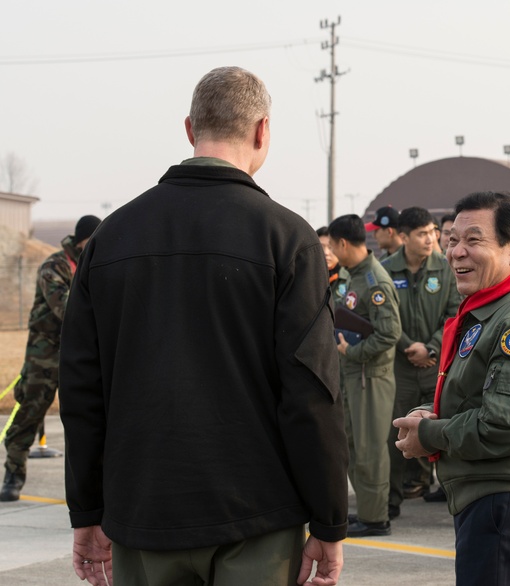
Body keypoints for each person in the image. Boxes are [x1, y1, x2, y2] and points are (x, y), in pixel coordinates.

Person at [59, 66, 348, 586]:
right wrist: (329, 519)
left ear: (190, 129)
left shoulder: (109, 239)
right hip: (257, 514)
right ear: (262, 131)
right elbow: (310, 394)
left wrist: (86, 510)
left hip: (142, 512)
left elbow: (81, 390)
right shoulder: (288, 239)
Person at [393, 190, 510, 585]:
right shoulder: (487, 312)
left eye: (474, 241)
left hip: (508, 504)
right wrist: (431, 412)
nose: (457, 252)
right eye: (453, 240)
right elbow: (477, 397)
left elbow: (504, 427)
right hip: (491, 501)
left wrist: (430, 434)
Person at [0, 215, 100, 503]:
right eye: (89, 240)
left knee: (88, 419)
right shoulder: (53, 265)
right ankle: (13, 475)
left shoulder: (93, 262)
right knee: (29, 414)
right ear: (80, 240)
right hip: (45, 355)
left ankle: (90, 489)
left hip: (80, 355)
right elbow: (67, 309)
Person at [328, 214, 402, 538]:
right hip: (354, 375)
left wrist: (352, 353)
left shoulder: (375, 282)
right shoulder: (354, 276)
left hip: (370, 376)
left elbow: (389, 334)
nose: (331, 250)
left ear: (343, 244)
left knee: (371, 448)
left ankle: (376, 518)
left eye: (331, 245)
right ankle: (369, 511)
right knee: (355, 446)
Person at [382, 207, 460, 513]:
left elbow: (454, 313)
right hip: (400, 366)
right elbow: (385, 318)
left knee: (441, 427)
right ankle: (390, 501)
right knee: (395, 432)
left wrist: (430, 348)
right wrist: (408, 347)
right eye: (422, 233)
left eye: (433, 232)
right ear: (403, 237)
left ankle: (448, 494)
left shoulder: (446, 267)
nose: (431, 239)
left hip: (437, 365)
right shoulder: (386, 269)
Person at [318, 226, 350, 303]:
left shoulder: (350, 278)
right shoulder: (307, 278)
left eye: (330, 247)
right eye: (321, 247)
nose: (326, 253)